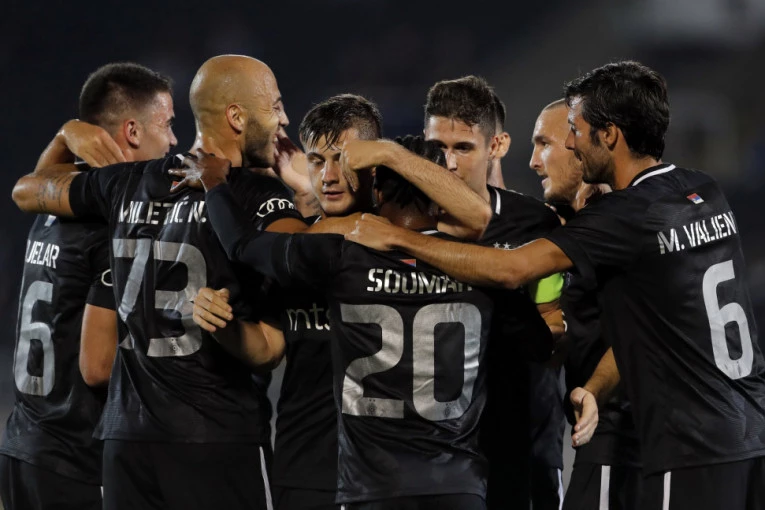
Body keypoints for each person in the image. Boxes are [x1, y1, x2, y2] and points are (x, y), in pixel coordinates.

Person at [347, 60, 765, 510]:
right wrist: (594, 388)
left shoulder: (619, 217)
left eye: (575, 131)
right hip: (749, 428)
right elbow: (649, 328)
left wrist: (400, 238)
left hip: (687, 443)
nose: (570, 143)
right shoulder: (703, 189)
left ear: (609, 135)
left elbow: (512, 269)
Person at [178, 133, 554, 510]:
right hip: (459, 484)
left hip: (373, 488)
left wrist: (215, 182)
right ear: (442, 196)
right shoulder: (481, 270)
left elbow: (242, 245)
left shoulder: (343, 258)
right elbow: (538, 346)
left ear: (376, 193)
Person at [11, 54, 307, 510]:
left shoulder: (128, 182)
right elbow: (301, 268)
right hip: (215, 439)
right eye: (276, 106)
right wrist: (305, 191)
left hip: (126, 444)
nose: (284, 119)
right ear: (236, 117)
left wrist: (67, 135)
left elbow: (28, 189)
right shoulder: (255, 196)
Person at [340, 75, 564, 509]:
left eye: (463, 148)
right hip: (432, 455)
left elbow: (553, 326)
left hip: (520, 436)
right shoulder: (396, 221)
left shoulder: (535, 223)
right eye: (437, 147)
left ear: (497, 146)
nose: (448, 163)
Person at [0, 62, 177, 510]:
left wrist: (64, 136)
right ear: (132, 131)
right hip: (75, 458)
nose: (174, 140)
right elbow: (97, 367)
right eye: (167, 125)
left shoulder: (55, 198)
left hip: (22, 444)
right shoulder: (111, 218)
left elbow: (32, 184)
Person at [530, 98, 643, 510]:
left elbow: (637, 332)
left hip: (621, 436)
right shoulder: (567, 227)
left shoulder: (615, 231)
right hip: (597, 436)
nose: (533, 162)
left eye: (544, 144)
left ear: (578, 147)